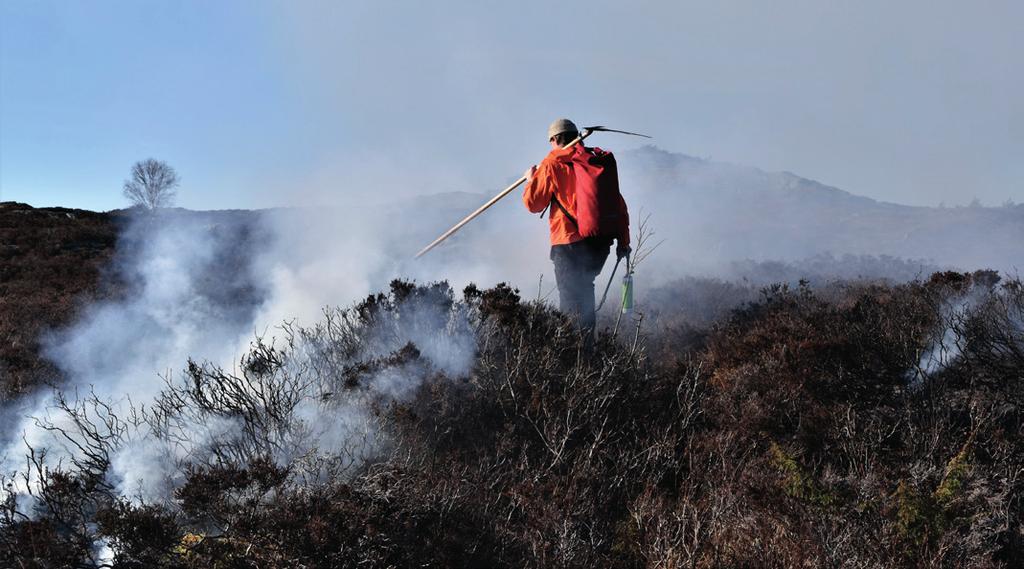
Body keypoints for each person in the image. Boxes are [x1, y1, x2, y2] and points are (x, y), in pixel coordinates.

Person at [522, 118, 630, 338]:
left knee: (570, 301)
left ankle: (572, 357)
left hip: (568, 242)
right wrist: (624, 242)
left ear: (554, 139)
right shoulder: (594, 162)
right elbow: (618, 203)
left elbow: (534, 204)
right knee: (585, 290)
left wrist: (530, 179)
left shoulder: (552, 163)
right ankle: (588, 351)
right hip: (599, 243)